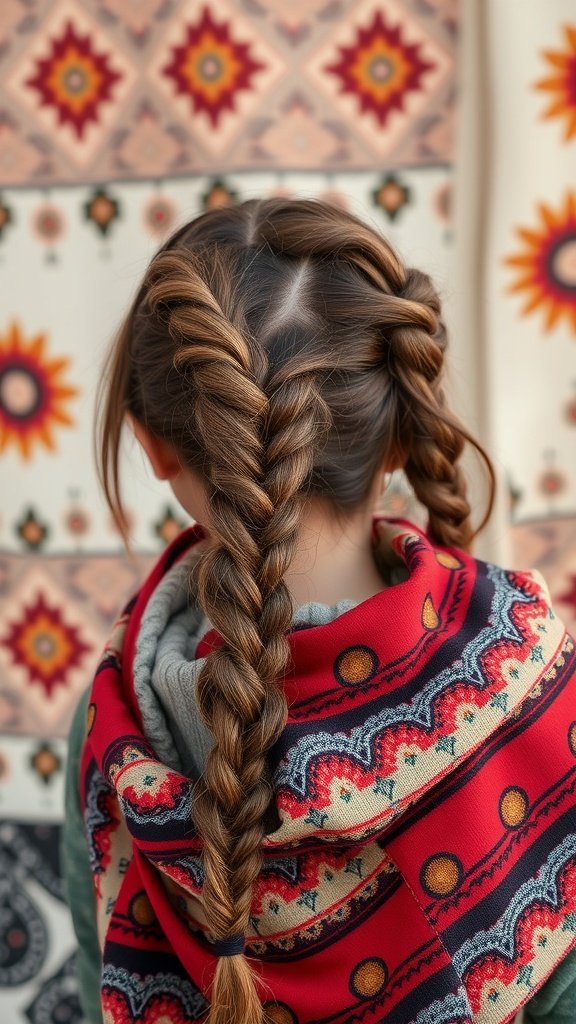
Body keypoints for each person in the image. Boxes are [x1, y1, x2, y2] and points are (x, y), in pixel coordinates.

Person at [63, 198, 576, 1024]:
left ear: (153, 445)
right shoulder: (529, 676)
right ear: (404, 428)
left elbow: (98, 988)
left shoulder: (112, 715)